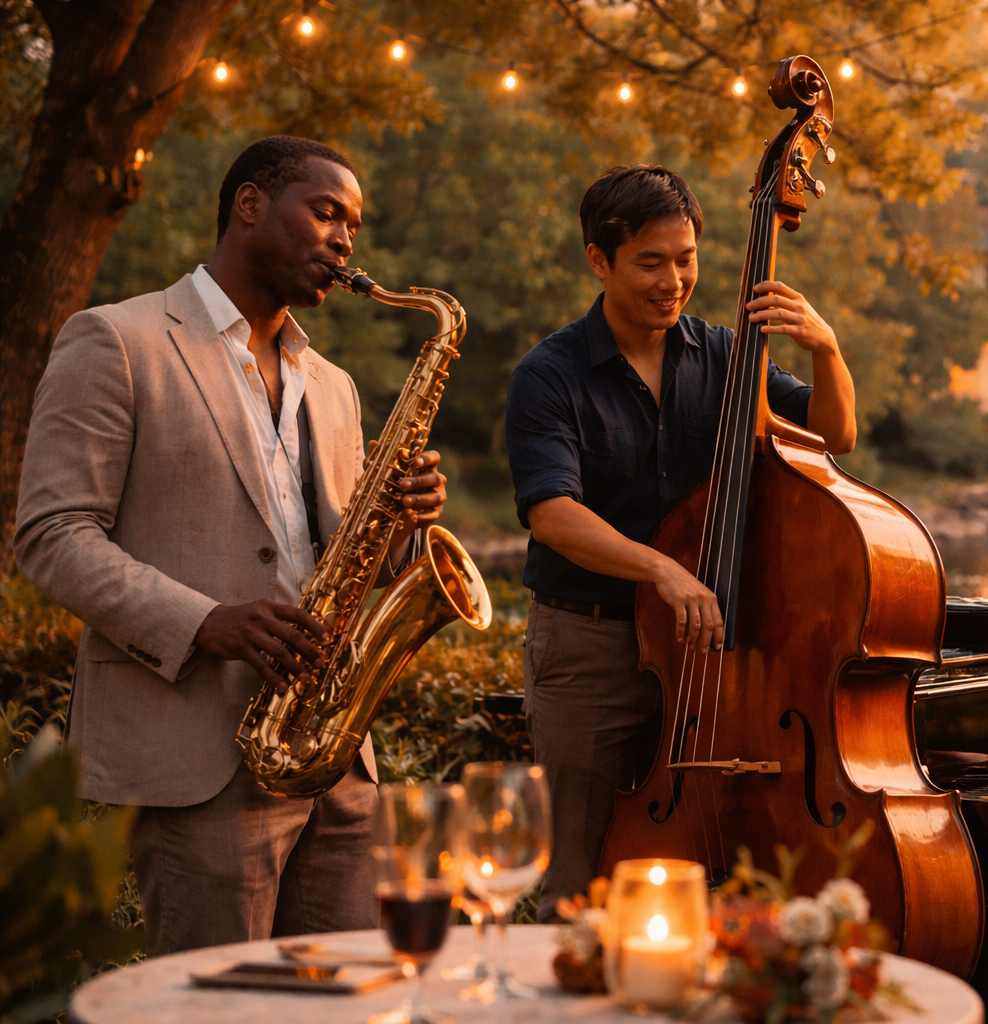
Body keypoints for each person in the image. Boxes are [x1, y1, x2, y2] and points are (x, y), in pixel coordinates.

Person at [14, 136, 448, 954]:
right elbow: (50, 536)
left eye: (354, 225)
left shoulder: (335, 385)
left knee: (347, 1006)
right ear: (250, 204)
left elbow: (351, 567)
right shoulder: (115, 339)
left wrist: (403, 525)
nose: (347, 241)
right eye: (326, 213)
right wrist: (204, 620)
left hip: (335, 758)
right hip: (195, 755)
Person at [505, 164, 858, 919]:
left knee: (701, 868)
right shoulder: (549, 373)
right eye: (651, 262)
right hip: (592, 648)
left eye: (687, 259)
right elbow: (551, 513)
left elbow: (835, 437)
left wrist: (827, 351)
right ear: (600, 261)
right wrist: (662, 570)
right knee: (580, 877)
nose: (674, 280)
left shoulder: (730, 356)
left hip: (713, 651)